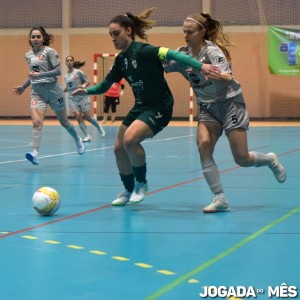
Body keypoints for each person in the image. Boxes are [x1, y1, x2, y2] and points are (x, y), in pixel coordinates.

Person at [72, 8, 220, 206]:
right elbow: (105, 86)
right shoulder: (121, 60)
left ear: (128, 31)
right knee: (118, 148)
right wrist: (87, 91)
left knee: (130, 140)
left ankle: (141, 183)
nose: (113, 38)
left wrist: (202, 66)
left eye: (116, 33)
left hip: (160, 106)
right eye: (110, 35)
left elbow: (176, 55)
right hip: (141, 106)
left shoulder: (146, 51)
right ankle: (128, 189)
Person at [164, 13, 287, 213]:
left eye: (190, 32)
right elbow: (161, 64)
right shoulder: (182, 54)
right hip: (207, 108)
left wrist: (212, 73)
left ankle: (270, 160)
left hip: (230, 103)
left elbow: (228, 78)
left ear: (202, 32)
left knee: (241, 159)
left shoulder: (212, 52)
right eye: (184, 31)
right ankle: (220, 198)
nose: (185, 35)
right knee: (203, 145)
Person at [13, 26, 85, 165]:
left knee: (64, 122)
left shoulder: (50, 52)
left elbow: (58, 71)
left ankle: (78, 139)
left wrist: (41, 74)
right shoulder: (28, 55)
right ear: (30, 39)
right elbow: (33, 75)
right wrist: (24, 86)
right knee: (36, 123)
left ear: (43, 38)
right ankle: (35, 153)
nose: (35, 39)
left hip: (53, 91)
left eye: (38, 37)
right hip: (37, 92)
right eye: (33, 37)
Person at [64, 55, 105, 142]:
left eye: (71, 60)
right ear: (65, 63)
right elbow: (68, 87)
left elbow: (88, 82)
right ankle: (87, 136)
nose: (69, 62)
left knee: (88, 117)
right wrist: (61, 91)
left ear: (73, 62)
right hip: (72, 99)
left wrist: (83, 86)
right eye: (67, 60)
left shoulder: (79, 72)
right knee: (78, 117)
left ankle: (99, 127)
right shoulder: (65, 76)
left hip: (82, 97)